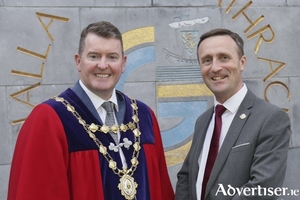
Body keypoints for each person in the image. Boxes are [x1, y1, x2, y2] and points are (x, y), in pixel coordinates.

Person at [7, 21, 174, 200]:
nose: (103, 65)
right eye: (94, 56)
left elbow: (161, 190)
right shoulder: (50, 119)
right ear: (79, 61)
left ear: (123, 63)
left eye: (112, 57)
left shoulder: (144, 116)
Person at [175, 28, 291, 200]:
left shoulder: (270, 118)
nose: (215, 67)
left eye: (224, 57)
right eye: (207, 60)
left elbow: (262, 188)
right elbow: (186, 177)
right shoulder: (203, 120)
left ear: (242, 62)